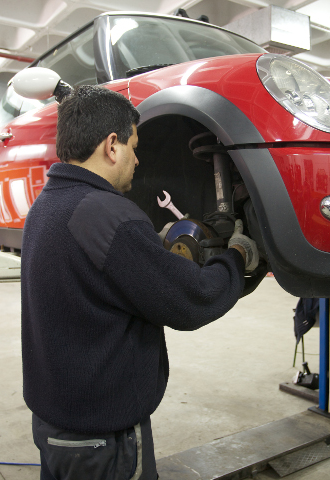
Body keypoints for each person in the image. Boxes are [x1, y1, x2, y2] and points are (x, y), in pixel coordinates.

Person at [21, 85, 259, 480]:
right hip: (102, 440)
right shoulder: (111, 216)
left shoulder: (45, 207)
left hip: (55, 426)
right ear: (111, 145)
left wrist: (151, 256)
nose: (137, 158)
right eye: (134, 145)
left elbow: (110, 278)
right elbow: (192, 299)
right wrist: (236, 256)